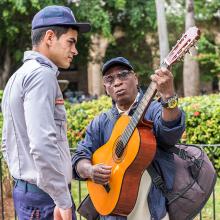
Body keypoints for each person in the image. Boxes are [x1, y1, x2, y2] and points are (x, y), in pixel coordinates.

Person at [1, 5, 90, 220]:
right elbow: (42, 144)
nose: (75, 50)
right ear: (50, 37)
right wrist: (62, 199)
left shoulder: (17, 77)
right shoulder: (42, 75)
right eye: (71, 41)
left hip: (28, 194)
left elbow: (6, 141)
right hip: (46, 200)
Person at [72, 57, 185, 220]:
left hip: (153, 213)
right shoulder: (101, 122)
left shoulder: (154, 110)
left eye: (123, 75)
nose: (117, 82)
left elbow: (171, 133)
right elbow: (79, 157)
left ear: (136, 78)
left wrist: (168, 96)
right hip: (111, 213)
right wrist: (90, 170)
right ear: (106, 88)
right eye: (109, 79)